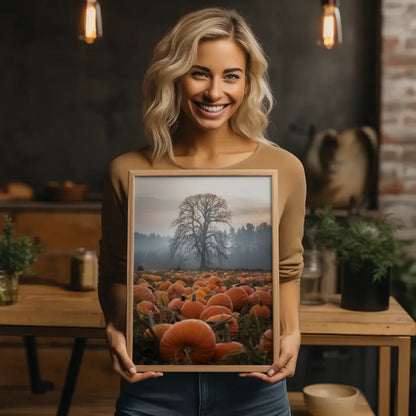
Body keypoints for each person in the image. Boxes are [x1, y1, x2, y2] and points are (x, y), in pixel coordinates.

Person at [98, 7, 306, 416]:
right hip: (153, 389)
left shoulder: (285, 169)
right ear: (173, 76)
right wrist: (112, 327)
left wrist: (292, 332)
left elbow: (287, 270)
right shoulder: (128, 170)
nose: (215, 93)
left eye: (231, 76)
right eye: (199, 73)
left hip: (253, 392)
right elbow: (114, 271)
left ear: (248, 84)